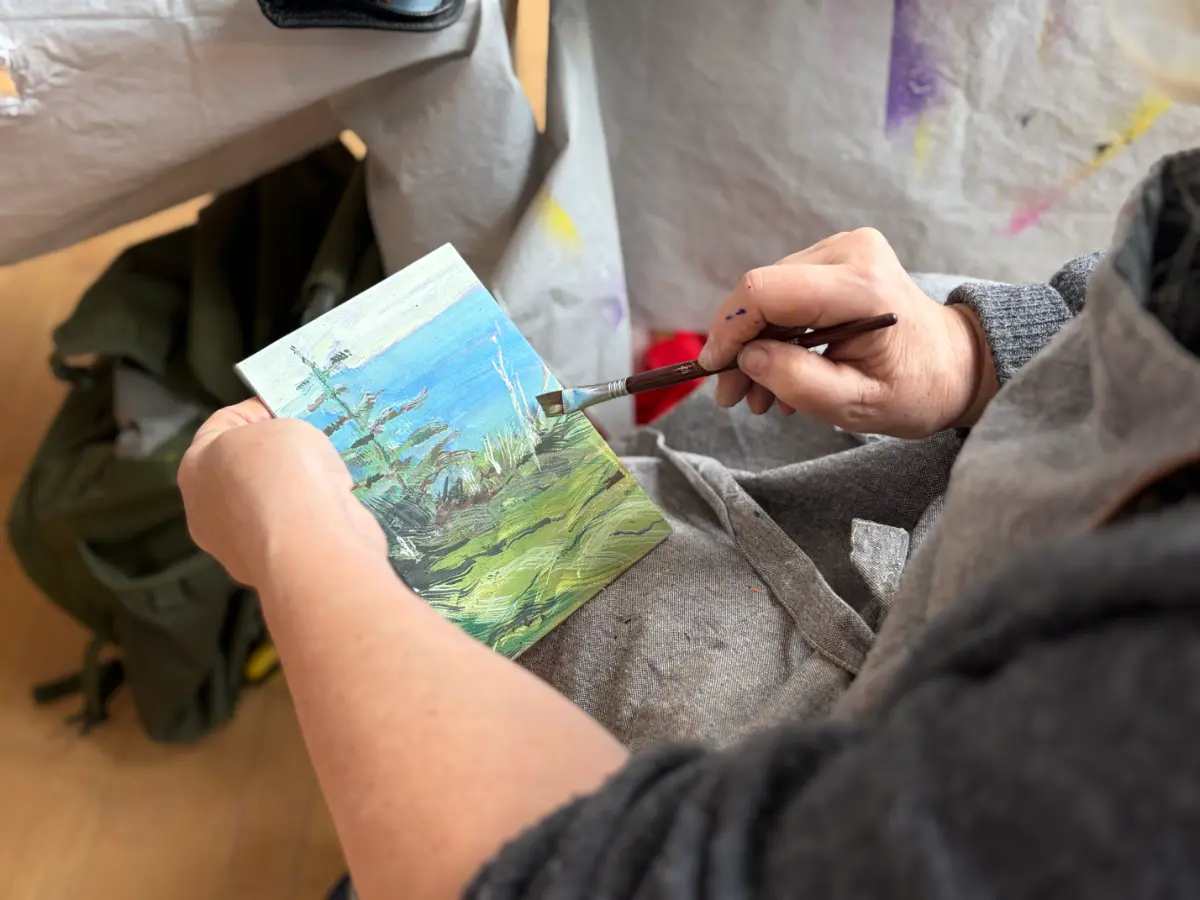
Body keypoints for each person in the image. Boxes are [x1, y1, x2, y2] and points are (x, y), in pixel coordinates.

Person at [179, 141, 1200, 898]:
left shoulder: (1138, 747)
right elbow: (1162, 285)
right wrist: (982, 351)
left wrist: (302, 546)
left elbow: (576, 875)